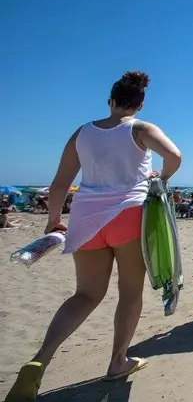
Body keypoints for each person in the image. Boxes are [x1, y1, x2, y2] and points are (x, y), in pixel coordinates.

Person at [4, 71, 182, 402]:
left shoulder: (82, 133)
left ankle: (39, 360)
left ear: (110, 101)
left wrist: (54, 220)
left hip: (85, 219)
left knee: (85, 294)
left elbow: (59, 184)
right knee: (129, 293)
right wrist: (163, 176)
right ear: (139, 104)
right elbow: (175, 156)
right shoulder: (141, 129)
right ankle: (118, 361)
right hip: (128, 215)